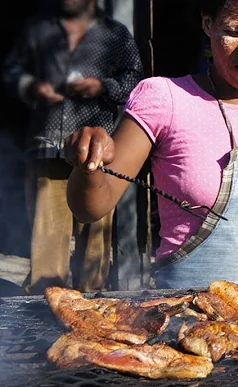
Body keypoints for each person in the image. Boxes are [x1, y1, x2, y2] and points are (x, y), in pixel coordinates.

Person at [63, 0, 238, 289]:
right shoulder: (165, 98)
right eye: (235, 31)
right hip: (195, 320)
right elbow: (91, 207)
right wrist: (89, 165)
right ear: (208, 23)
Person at [2, 0, 144, 294]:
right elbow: (12, 70)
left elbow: (136, 81)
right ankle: (45, 301)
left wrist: (103, 86)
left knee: (94, 237)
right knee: (47, 233)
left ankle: (90, 304)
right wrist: (31, 86)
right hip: (47, 146)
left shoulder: (115, 34)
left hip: (96, 153)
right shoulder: (38, 30)